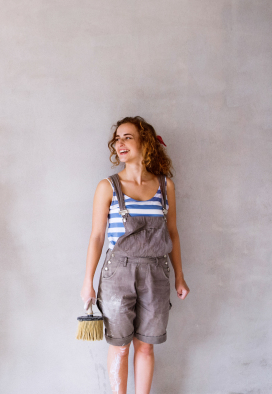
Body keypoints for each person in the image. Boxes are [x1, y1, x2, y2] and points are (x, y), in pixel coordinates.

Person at [80, 116, 190, 394]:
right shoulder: (108, 186)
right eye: (117, 138)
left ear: (145, 142)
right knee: (120, 347)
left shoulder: (166, 187)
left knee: (146, 346)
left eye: (128, 137)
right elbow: (96, 237)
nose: (120, 143)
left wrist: (180, 276)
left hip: (157, 273)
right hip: (118, 274)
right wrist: (87, 282)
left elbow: (173, 234)